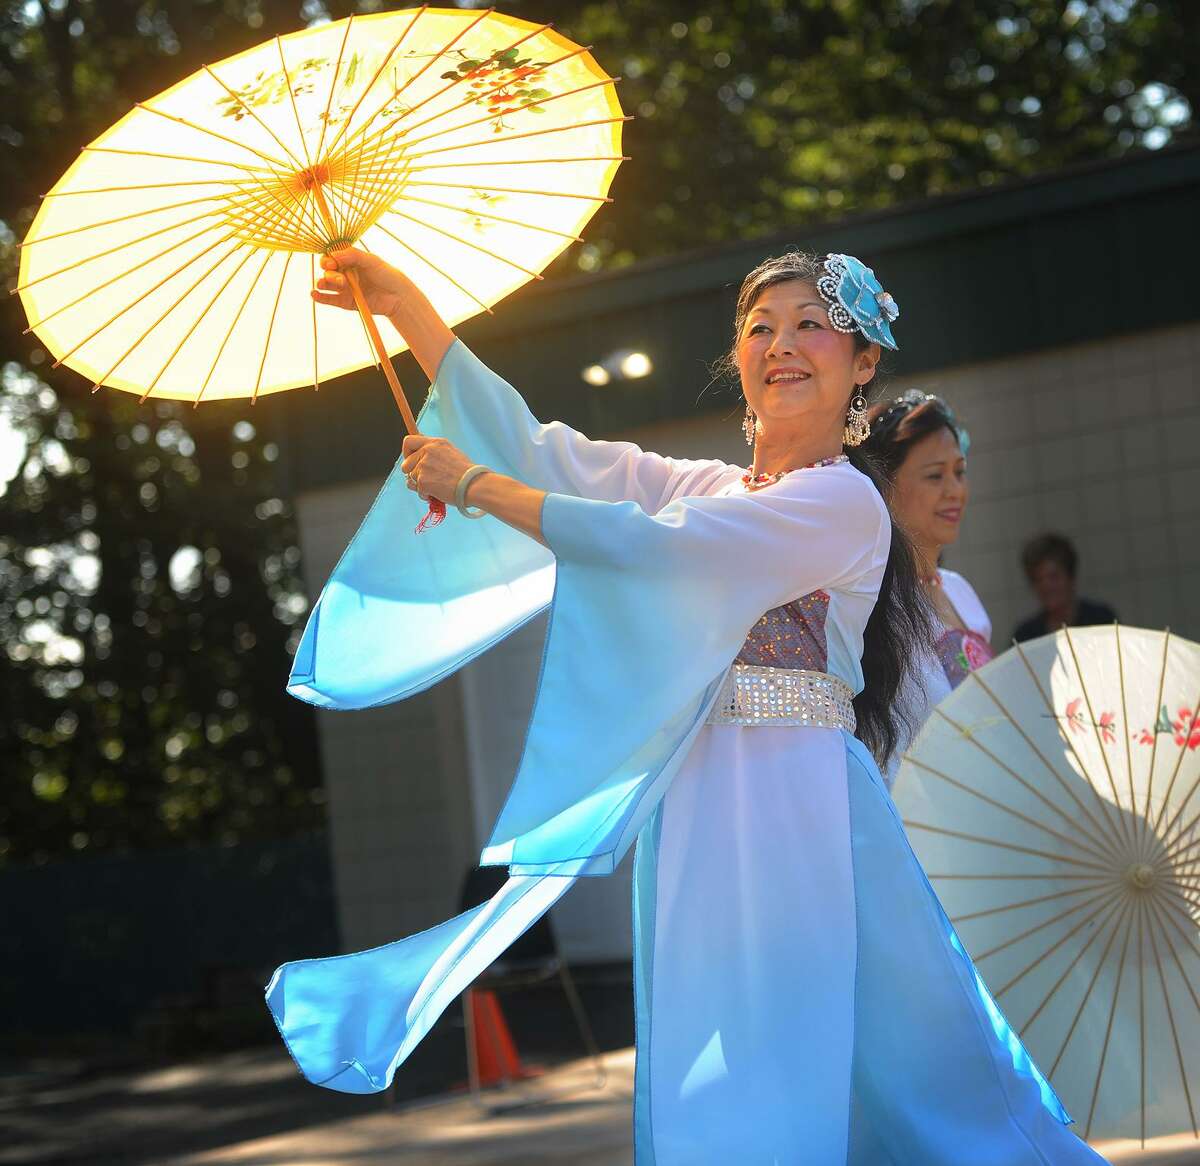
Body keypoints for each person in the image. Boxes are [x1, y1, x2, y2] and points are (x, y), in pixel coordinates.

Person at [265, 248, 1108, 1164]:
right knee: (711, 1046)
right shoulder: (704, 482)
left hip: (801, 808)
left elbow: (667, 549)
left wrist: (474, 486)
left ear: (863, 364)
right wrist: (408, 312)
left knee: (829, 1056)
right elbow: (554, 456)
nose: (781, 345)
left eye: (810, 325)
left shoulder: (844, 502)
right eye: (760, 329)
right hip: (700, 800)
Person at [861, 390, 991, 786]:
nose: (955, 490)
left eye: (960, 471)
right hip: (910, 811)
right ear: (884, 487)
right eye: (935, 476)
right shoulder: (871, 605)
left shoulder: (961, 592)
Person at [1013, 532, 1118, 643]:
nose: (1046, 586)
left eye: (1053, 577)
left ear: (1071, 577)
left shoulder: (1101, 621)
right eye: (1038, 580)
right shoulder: (1026, 636)